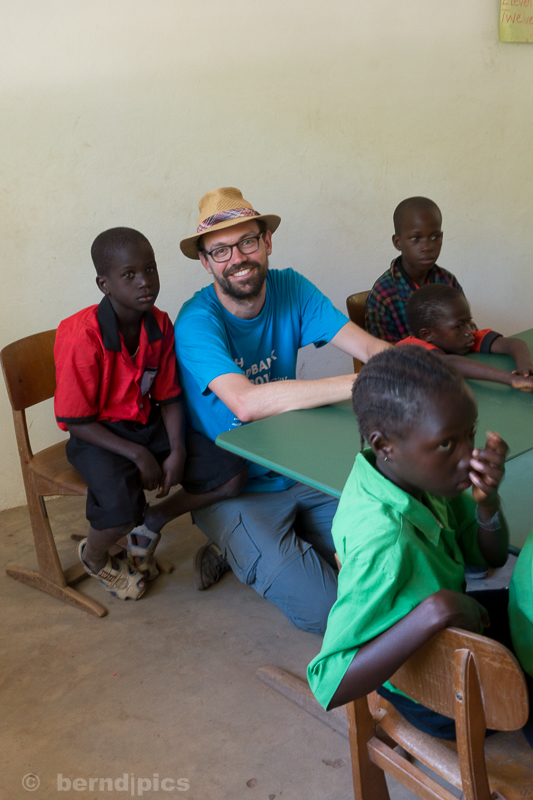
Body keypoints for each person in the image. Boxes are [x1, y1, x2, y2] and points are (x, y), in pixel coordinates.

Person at [174, 186, 390, 633]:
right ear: (206, 262)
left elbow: (370, 349)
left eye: (247, 242)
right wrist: (363, 384)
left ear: (267, 241)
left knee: (390, 564)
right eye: (220, 250)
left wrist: (413, 368)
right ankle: (233, 542)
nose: (237, 258)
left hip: (298, 464)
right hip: (233, 487)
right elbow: (246, 403)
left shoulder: (291, 287)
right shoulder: (196, 320)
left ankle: (266, 543)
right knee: (330, 613)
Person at [306, 347, 528, 742]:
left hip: (445, 639)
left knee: (524, 606)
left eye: (470, 434)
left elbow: (490, 556)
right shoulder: (385, 543)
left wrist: (487, 503)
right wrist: (435, 610)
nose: (468, 457)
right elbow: (328, 682)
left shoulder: (407, 476)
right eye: (446, 444)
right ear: (384, 445)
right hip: (437, 699)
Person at [54, 227, 246, 601]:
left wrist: (178, 451)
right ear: (104, 284)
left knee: (232, 474)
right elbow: (76, 420)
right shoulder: (81, 335)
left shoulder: (159, 324)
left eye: (150, 269)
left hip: (146, 425)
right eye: (129, 275)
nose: (145, 282)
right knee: (123, 512)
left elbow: (169, 396)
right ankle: (94, 556)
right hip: (96, 436)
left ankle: (152, 523)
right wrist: (139, 455)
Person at [365, 197, 467, 343]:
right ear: (398, 242)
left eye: (435, 237)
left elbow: (468, 332)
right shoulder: (383, 294)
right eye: (415, 239)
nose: (427, 247)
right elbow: (384, 352)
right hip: (409, 359)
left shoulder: (447, 281)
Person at [398, 283, 533, 390]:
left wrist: (524, 367)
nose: (468, 331)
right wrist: (511, 379)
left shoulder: (460, 339)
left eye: (468, 322)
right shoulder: (409, 349)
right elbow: (449, 363)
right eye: (459, 326)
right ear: (427, 335)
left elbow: (513, 343)